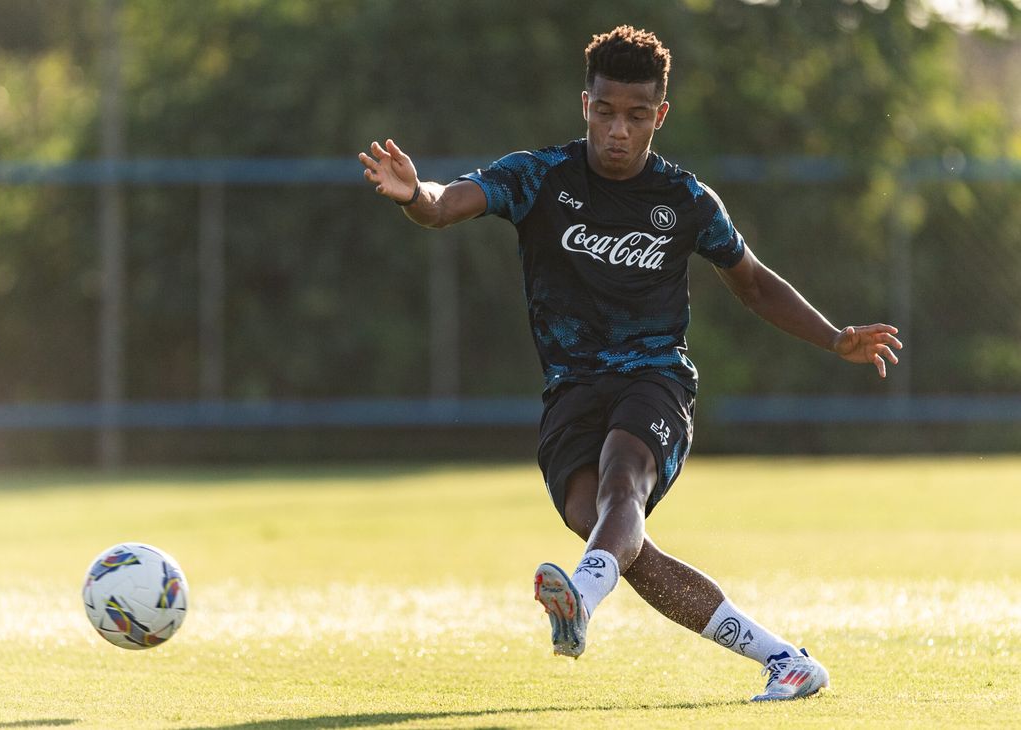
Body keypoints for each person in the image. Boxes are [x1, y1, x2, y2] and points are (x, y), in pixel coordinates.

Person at [357, 24, 902, 702]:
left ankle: (581, 599)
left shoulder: (687, 201)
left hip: (655, 380)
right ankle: (785, 660)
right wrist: (416, 195)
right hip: (570, 390)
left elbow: (755, 283)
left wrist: (834, 335)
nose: (619, 129)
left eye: (636, 115)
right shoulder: (538, 177)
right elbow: (446, 206)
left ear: (659, 117)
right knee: (618, 542)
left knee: (623, 491)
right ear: (584, 105)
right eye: (606, 111)